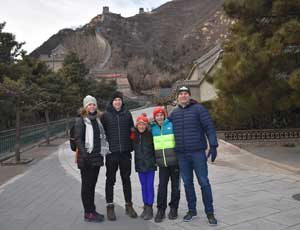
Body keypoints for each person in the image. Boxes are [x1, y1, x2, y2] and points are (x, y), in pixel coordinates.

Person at [169, 86, 218, 226]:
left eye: (186, 94)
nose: (183, 96)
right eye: (181, 94)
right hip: (182, 155)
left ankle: (210, 212)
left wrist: (213, 145)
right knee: (187, 183)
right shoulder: (174, 113)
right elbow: (163, 127)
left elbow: (209, 127)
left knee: (203, 182)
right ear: (177, 97)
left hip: (197, 153)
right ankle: (192, 210)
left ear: (189, 96)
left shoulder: (199, 109)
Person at [100, 92, 138, 221]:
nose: (118, 102)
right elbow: (101, 135)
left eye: (119, 100)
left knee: (126, 179)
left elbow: (132, 131)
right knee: (110, 180)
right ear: (112, 102)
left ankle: (129, 205)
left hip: (125, 154)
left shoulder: (127, 114)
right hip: (111, 154)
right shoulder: (105, 116)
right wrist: (104, 150)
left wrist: (132, 147)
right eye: (115, 100)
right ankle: (110, 206)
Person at [74, 95, 106, 223]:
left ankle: (92, 210)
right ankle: (88, 213)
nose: (92, 106)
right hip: (86, 160)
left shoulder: (97, 120)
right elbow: (78, 139)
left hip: (96, 158)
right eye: (89, 105)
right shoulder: (81, 121)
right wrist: (85, 155)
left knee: (92, 186)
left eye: (93, 104)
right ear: (85, 107)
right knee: (87, 186)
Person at [150, 106, 180, 223]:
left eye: (161, 114)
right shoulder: (152, 128)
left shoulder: (171, 125)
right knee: (162, 186)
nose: (159, 117)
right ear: (154, 117)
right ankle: (161, 210)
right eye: (157, 115)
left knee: (175, 186)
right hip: (162, 163)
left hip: (175, 162)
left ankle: (174, 208)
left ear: (164, 115)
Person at [131, 113, 156, 220]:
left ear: (146, 125)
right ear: (137, 125)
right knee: (143, 186)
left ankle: (150, 207)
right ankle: (145, 205)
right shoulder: (134, 136)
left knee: (149, 186)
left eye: (143, 124)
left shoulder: (150, 135)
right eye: (139, 124)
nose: (141, 126)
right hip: (140, 165)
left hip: (150, 165)